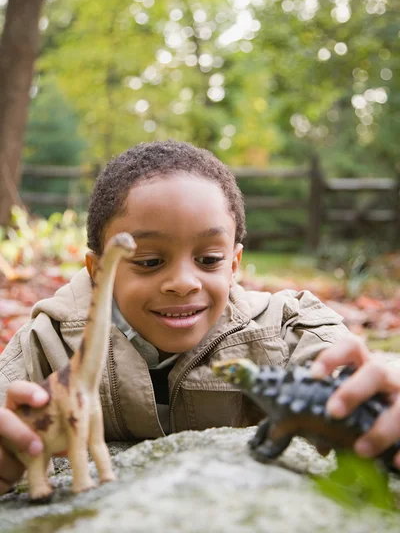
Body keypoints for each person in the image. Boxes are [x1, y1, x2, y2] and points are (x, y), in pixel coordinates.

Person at [0, 140, 399, 495]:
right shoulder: (47, 342)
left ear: (234, 263)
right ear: (98, 270)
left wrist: (378, 402)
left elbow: (355, 379)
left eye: (208, 260)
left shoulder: (285, 329)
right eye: (150, 261)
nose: (183, 283)